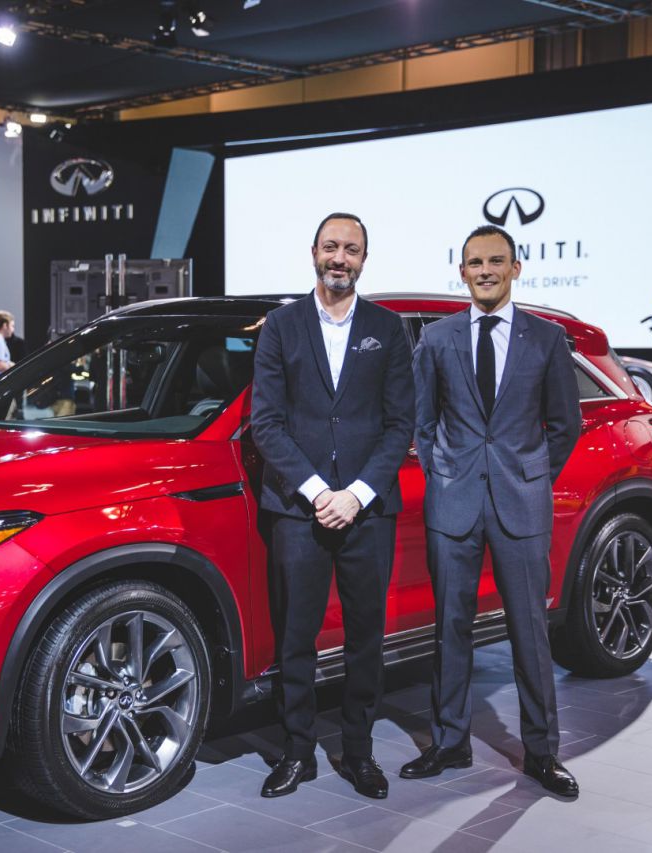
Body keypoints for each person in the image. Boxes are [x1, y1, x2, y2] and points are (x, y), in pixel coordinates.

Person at [404, 224, 581, 799]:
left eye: (495, 261)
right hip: (452, 503)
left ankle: (542, 753)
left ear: (515, 268)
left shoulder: (546, 338)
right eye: (475, 263)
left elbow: (565, 425)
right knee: (449, 628)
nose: (485, 271)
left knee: (529, 629)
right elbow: (422, 422)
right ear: (462, 272)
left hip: (520, 503)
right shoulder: (437, 338)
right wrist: (443, 474)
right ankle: (449, 742)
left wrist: (531, 475)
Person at [250, 212, 413, 800]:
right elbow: (266, 424)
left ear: (364, 259)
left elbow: (400, 424)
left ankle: (359, 752)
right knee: (295, 637)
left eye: (351, 249)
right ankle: (297, 752)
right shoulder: (281, 327)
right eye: (331, 247)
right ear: (313, 252)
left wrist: (357, 495)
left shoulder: (388, 328)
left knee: (367, 636)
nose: (339, 257)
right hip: (300, 510)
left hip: (368, 510)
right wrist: (320, 493)